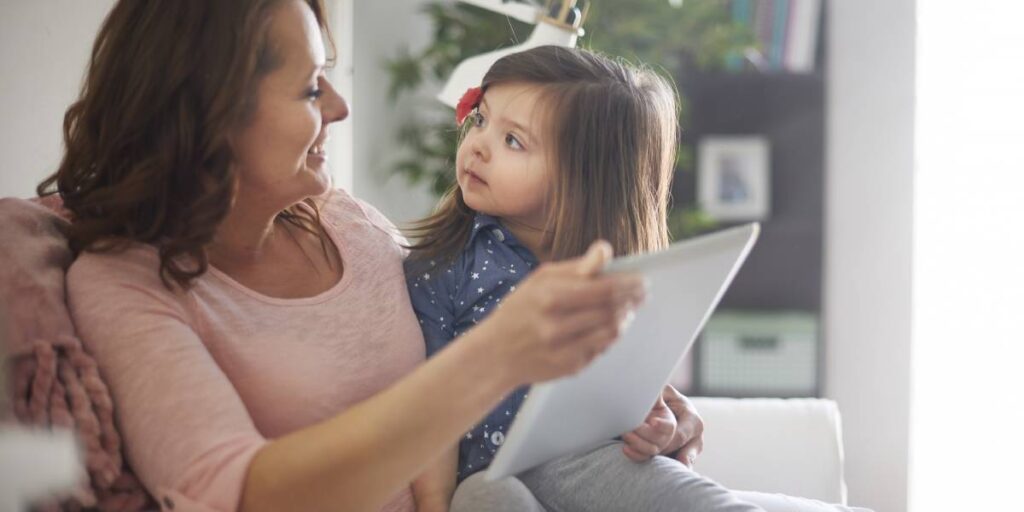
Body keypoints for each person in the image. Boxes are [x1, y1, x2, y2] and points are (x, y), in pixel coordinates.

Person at [33, 1, 698, 511]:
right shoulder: (126, 286)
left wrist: (637, 411)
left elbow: (481, 340)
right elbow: (239, 496)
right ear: (210, 114)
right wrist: (495, 358)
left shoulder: (345, 222)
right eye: (311, 88)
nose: (342, 107)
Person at [405, 46, 870, 512]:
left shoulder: (614, 276)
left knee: (657, 484)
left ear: (579, 179)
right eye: (481, 120)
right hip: (483, 474)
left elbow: (635, 394)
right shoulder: (444, 266)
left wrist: (655, 423)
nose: (478, 145)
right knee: (484, 498)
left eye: (514, 141)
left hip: (582, 458)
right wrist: (432, 505)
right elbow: (427, 410)